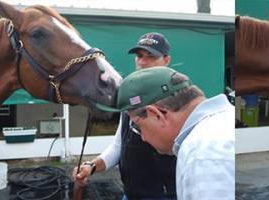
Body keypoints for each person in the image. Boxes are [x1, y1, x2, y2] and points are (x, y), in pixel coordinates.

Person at [96, 67, 235, 199]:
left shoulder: (202, 156)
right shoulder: (221, 123)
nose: (143, 138)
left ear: (157, 114)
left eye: (138, 127)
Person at [72, 32, 177, 199]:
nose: (142, 62)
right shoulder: (130, 98)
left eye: (151, 56)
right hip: (129, 194)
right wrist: (91, 166)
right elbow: (118, 146)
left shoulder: (177, 99)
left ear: (166, 60)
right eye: (139, 56)